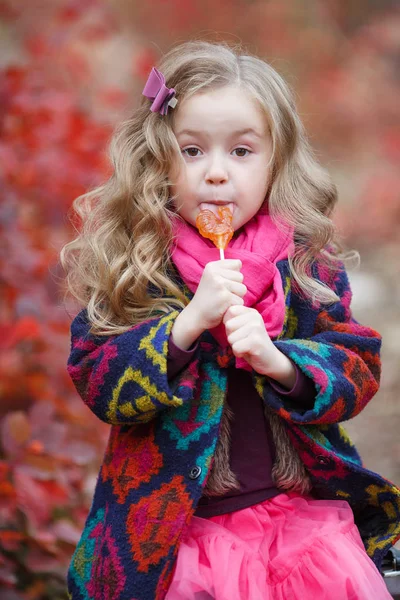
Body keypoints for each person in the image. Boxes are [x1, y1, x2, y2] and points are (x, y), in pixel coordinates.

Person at [61, 40, 400, 600]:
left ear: (276, 161)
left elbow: (357, 365)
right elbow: (98, 380)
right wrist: (183, 326)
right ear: (159, 159)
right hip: (179, 539)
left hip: (297, 525)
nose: (216, 174)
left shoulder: (303, 263)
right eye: (193, 152)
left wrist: (282, 361)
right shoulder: (137, 263)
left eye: (240, 153)